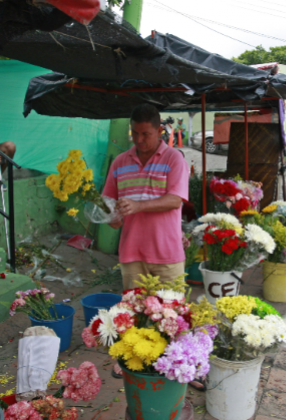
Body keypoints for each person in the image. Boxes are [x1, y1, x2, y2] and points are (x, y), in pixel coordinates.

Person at [102, 104, 195, 385]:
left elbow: (175, 200)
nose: (139, 140)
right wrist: (113, 217)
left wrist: (138, 205)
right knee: (133, 312)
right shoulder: (120, 162)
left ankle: (182, 365)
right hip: (131, 251)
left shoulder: (173, 158)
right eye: (135, 133)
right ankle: (133, 360)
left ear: (159, 131)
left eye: (145, 134)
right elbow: (109, 204)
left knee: (174, 313)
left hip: (167, 253)